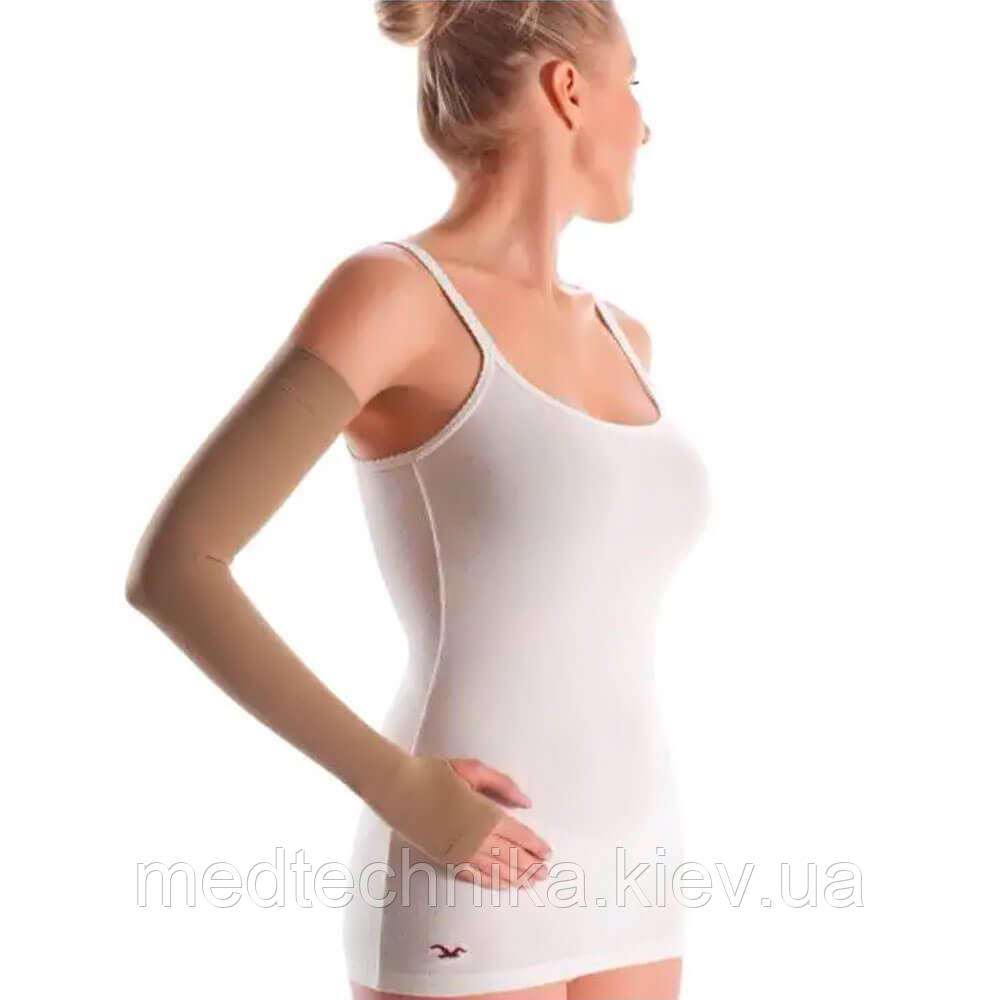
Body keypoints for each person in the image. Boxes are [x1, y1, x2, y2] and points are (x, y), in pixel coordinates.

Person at [125, 2, 710, 997]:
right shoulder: (395, 295)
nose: (646, 125)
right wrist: (401, 789)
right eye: (634, 85)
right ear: (569, 90)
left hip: (639, 853)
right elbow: (177, 568)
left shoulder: (626, 338)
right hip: (464, 849)